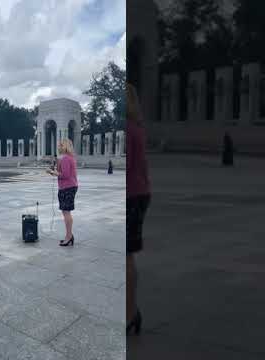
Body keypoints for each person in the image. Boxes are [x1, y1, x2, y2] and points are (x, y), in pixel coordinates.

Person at [126, 83, 151, 335]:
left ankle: (130, 313)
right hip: (140, 194)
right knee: (128, 256)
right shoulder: (138, 129)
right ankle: (131, 311)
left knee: (125, 257)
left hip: (131, 196)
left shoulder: (129, 129)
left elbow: (129, 166)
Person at [47, 139, 78, 246]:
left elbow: (65, 175)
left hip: (67, 187)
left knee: (66, 213)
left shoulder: (65, 159)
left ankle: (69, 237)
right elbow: (63, 174)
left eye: (60, 145)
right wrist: (54, 172)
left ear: (65, 146)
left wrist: (52, 172)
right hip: (69, 186)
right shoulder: (70, 158)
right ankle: (69, 235)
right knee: (66, 212)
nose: (58, 147)